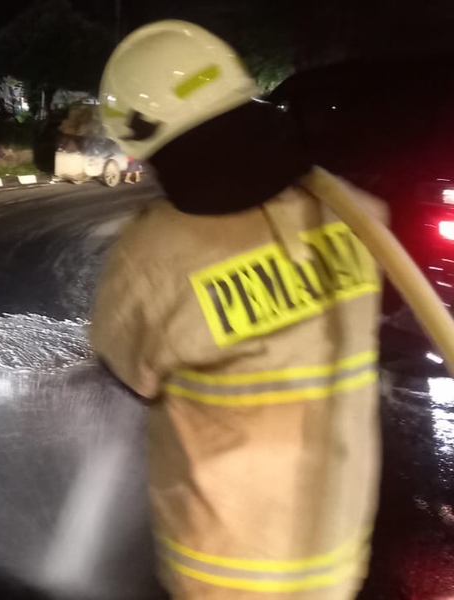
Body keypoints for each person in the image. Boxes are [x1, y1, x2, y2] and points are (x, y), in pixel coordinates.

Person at [90, 21, 386, 599]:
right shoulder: (358, 216)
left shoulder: (152, 256)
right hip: (337, 564)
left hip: (221, 576)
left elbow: (123, 372)